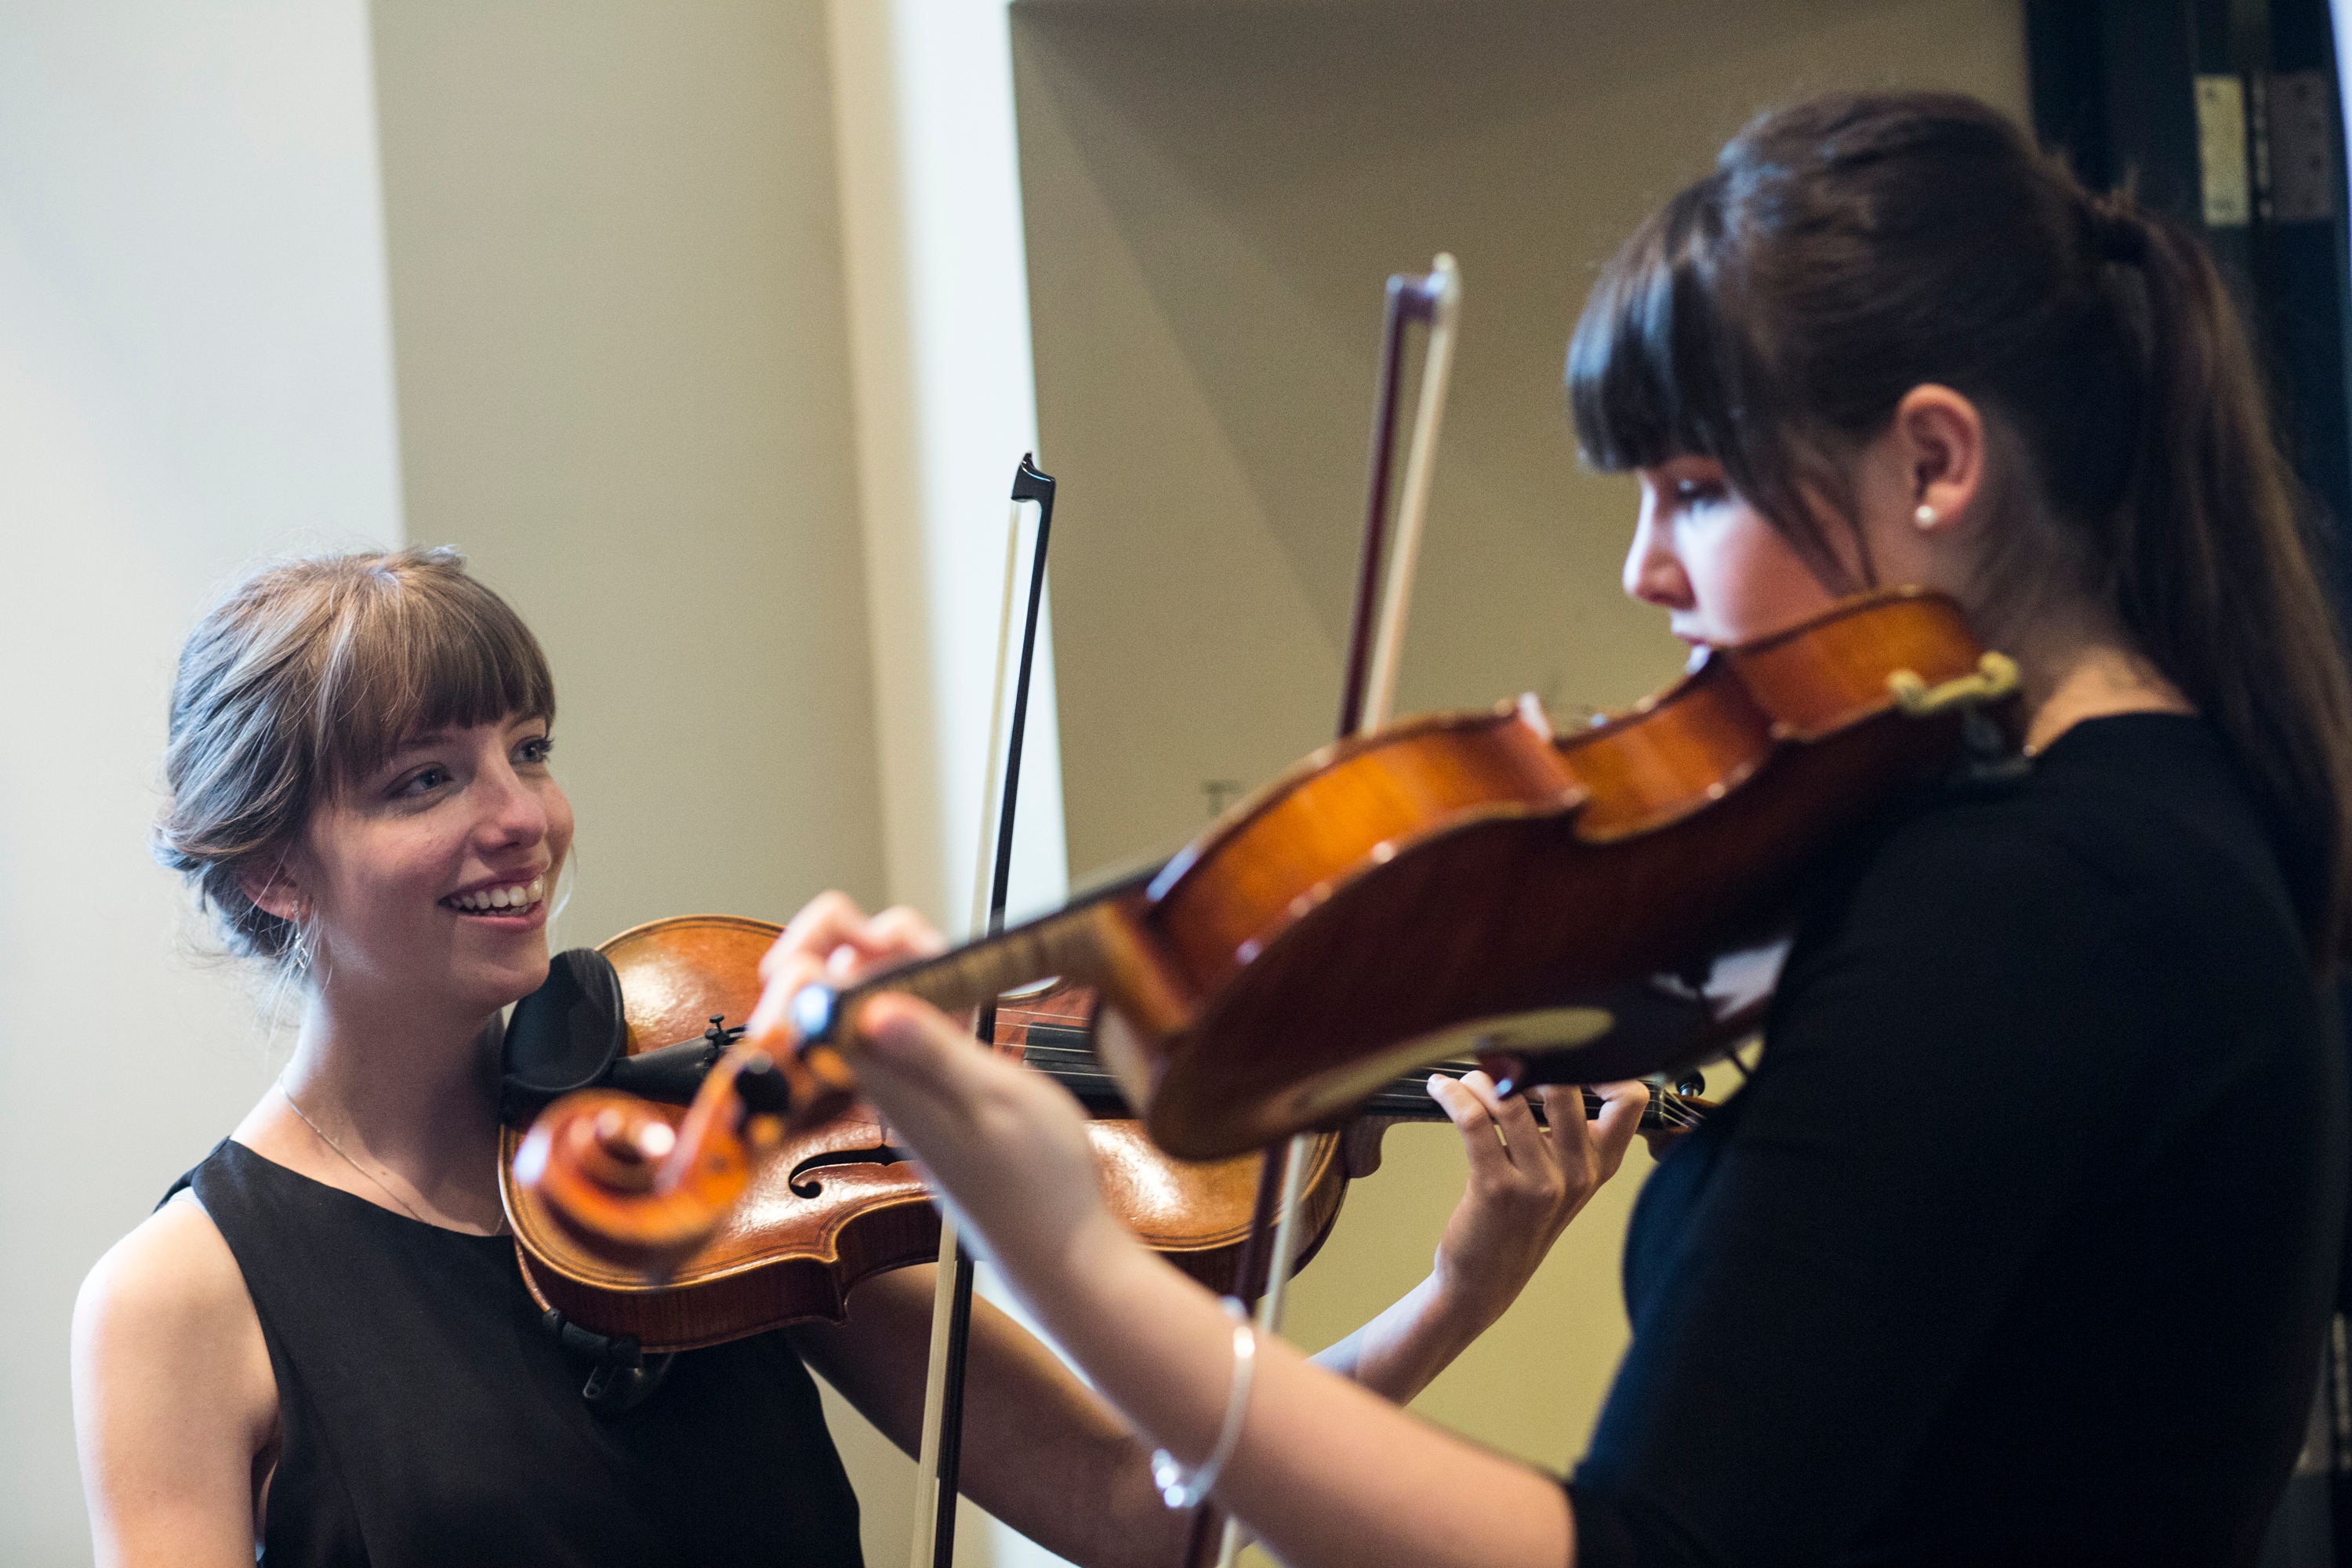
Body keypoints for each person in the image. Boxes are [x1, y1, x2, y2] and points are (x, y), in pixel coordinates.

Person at [749, 92, 2352, 1567]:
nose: (1648, 567)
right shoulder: (2161, 827)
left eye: (1696, 485)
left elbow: (1640, 1548)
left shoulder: (2032, 899)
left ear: (1935, 460)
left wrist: (1067, 1254)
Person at [69, 547, 1642, 1566]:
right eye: (428, 778)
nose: (523, 817)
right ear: (273, 868)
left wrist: (1464, 1290)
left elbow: (1135, 1511)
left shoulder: (716, 1160)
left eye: (529, 751)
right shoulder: (180, 1305)